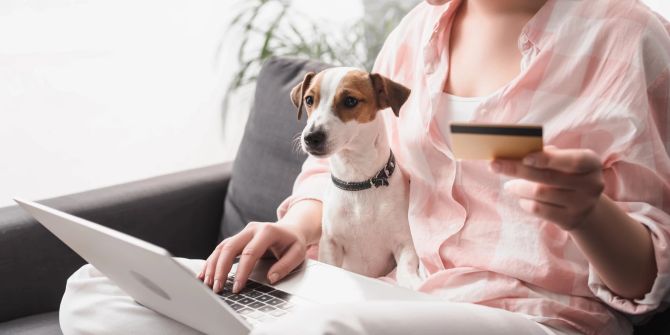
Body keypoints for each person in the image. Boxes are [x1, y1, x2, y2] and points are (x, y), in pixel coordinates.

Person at [60, 0, 670, 334]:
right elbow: (343, 167)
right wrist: (298, 230)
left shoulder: (627, 38)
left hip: (522, 318)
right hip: (386, 294)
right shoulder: (415, 33)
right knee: (102, 287)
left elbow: (647, 281)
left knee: (325, 327)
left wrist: (589, 213)